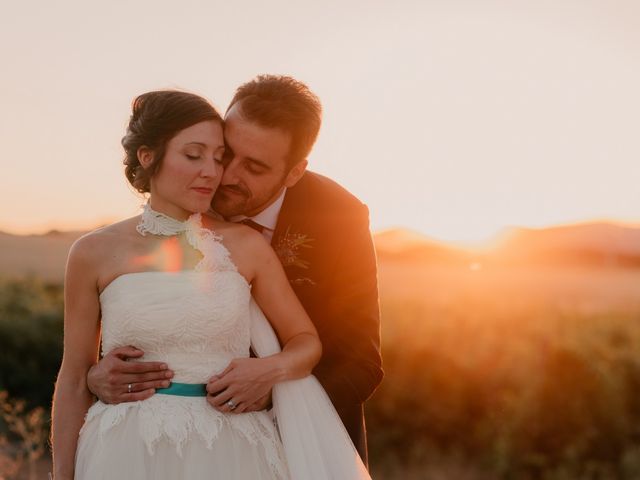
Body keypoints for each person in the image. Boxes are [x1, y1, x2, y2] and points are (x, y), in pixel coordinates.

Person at [86, 75, 383, 463]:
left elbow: (361, 363)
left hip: (307, 444)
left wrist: (273, 386)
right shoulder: (186, 190)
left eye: (254, 167)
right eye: (227, 153)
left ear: (294, 172)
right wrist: (96, 376)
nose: (224, 175)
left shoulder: (338, 217)